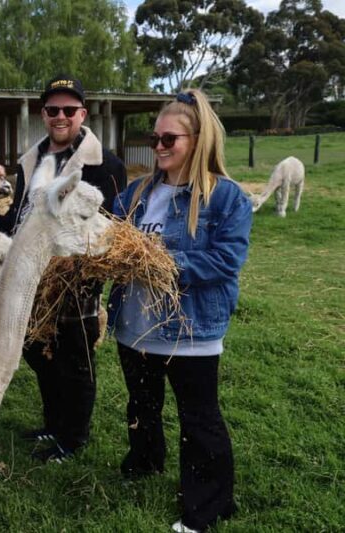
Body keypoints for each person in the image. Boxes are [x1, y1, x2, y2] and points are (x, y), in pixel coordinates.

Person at [107, 88, 251, 532]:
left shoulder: (225, 198)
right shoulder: (135, 194)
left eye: (170, 139)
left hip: (189, 331)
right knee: (142, 404)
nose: (159, 147)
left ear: (198, 139)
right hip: (135, 327)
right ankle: (144, 461)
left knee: (199, 418)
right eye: (155, 139)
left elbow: (227, 260)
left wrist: (164, 263)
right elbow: (110, 244)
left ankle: (207, 506)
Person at [0, 74, 127, 463]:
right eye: (53, 110)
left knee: (75, 357)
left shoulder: (106, 165)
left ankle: (74, 436)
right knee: (36, 349)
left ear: (82, 113)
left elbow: (108, 224)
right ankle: (54, 421)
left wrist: (85, 270)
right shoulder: (32, 161)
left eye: (69, 110)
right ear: (44, 114)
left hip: (77, 275)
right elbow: (19, 214)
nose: (60, 116)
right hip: (34, 274)